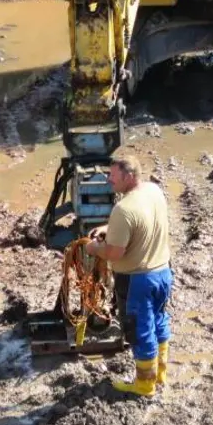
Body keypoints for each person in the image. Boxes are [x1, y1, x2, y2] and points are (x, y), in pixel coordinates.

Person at [85, 154, 172, 396]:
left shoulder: (123, 209)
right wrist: (109, 229)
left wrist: (94, 248)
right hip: (163, 272)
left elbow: (113, 253)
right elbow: (143, 224)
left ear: (129, 176)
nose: (108, 180)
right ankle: (160, 374)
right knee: (159, 320)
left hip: (137, 280)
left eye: (113, 176)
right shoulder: (153, 191)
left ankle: (144, 385)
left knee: (139, 330)